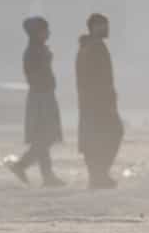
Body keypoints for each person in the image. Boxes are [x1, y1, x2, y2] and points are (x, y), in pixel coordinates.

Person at [9, 17, 65, 187]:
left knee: (44, 137)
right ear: (37, 32)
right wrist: (46, 85)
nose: (48, 33)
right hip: (41, 96)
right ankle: (23, 166)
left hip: (44, 95)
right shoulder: (33, 52)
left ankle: (46, 175)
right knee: (44, 136)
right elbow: (34, 76)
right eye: (45, 30)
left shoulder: (37, 50)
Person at [76, 13, 124, 189]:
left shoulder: (88, 47)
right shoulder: (94, 48)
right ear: (94, 27)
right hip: (98, 102)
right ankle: (99, 174)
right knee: (112, 133)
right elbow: (99, 78)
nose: (107, 29)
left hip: (91, 102)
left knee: (95, 137)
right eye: (103, 25)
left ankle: (98, 175)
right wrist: (107, 101)